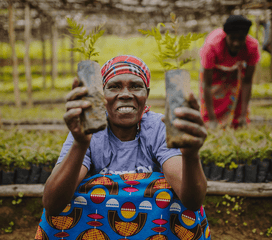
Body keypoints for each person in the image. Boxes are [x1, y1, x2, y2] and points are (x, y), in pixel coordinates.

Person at [41, 55, 208, 238]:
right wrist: (80, 144)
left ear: (147, 94)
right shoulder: (87, 130)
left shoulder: (159, 127)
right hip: (96, 230)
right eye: (114, 87)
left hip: (152, 232)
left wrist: (192, 156)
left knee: (169, 191)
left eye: (136, 86)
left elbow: (192, 202)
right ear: (102, 96)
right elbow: (51, 203)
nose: (126, 94)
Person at [199, 15, 261, 129]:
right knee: (216, 96)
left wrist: (243, 115)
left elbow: (247, 82)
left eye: (241, 38)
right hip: (215, 73)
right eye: (232, 38)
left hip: (236, 71)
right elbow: (206, 85)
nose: (236, 43)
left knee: (236, 96)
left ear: (246, 37)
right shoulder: (211, 46)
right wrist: (212, 120)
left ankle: (238, 123)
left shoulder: (252, 47)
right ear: (226, 35)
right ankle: (213, 123)